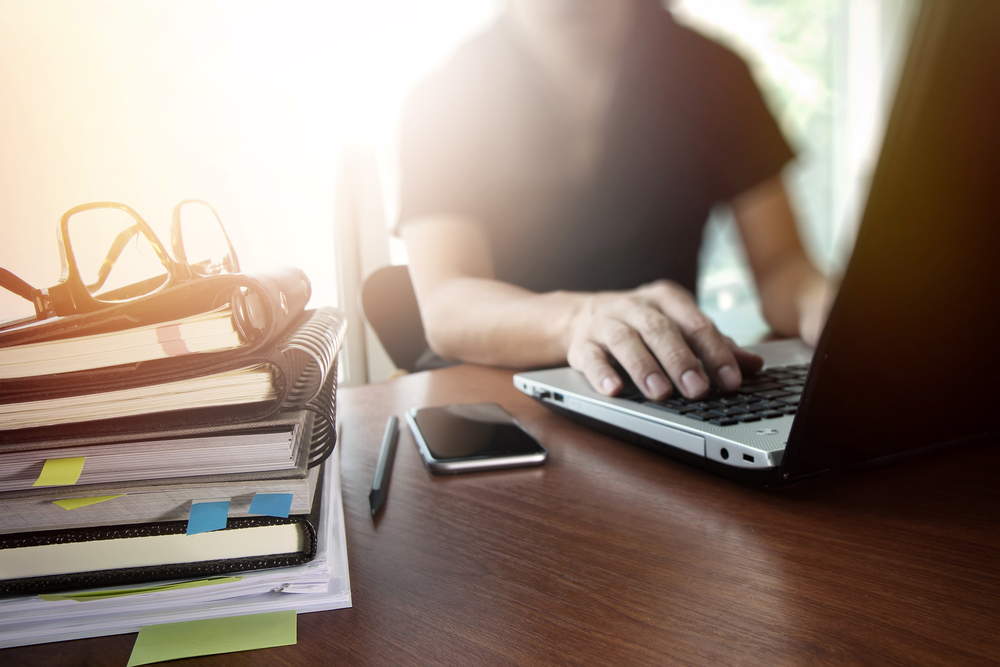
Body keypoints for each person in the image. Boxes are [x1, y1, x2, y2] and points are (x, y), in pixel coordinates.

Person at [396, 0, 831, 402]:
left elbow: (781, 264)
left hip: (663, 394)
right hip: (497, 399)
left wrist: (830, 308)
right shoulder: (442, 97)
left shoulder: (718, 73)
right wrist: (579, 319)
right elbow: (447, 304)